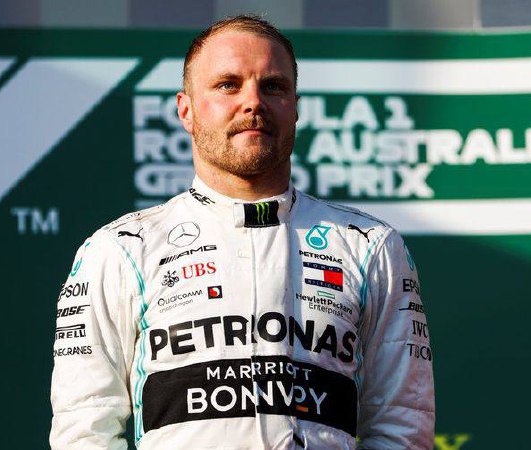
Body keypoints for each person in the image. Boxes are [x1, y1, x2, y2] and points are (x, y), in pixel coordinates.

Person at [51, 15, 434, 449]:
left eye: (273, 86)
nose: (253, 102)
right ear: (186, 110)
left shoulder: (370, 246)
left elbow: (403, 428)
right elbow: (84, 432)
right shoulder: (121, 250)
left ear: (295, 108)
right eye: (228, 85)